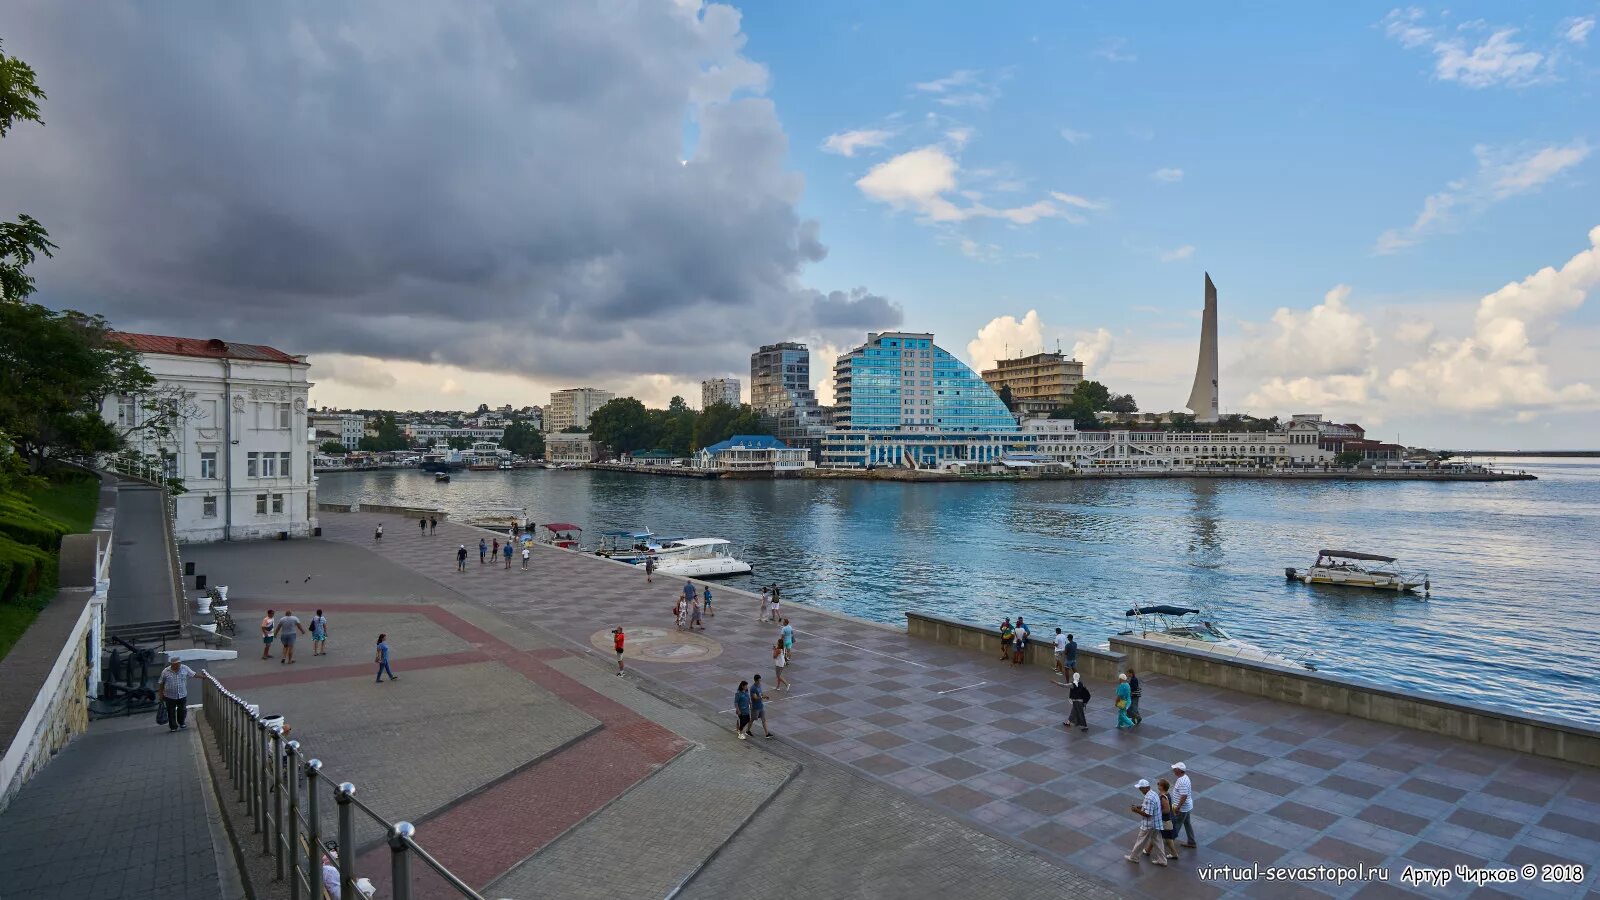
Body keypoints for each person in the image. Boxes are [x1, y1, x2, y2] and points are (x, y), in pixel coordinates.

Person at [1125, 779, 1168, 866]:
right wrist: (1139, 807)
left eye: (1140, 788)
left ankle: (1134, 857)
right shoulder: (1154, 794)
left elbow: (1148, 814)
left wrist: (1136, 810)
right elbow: (1149, 807)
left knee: (1140, 840)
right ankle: (1162, 860)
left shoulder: (1148, 797)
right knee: (1158, 841)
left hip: (1149, 825)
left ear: (1145, 788)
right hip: (1156, 823)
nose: (1140, 790)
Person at [157, 658, 196, 731]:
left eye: (178, 664)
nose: (178, 666)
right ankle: (173, 727)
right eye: (175, 664)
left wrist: (204, 677)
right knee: (171, 712)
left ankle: (181, 722)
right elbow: (161, 683)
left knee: (182, 710)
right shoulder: (165, 671)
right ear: (171, 664)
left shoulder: (184, 668)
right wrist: (161, 695)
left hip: (182, 694)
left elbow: (193, 674)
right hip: (169, 696)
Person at [1170, 762, 1196, 848]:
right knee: (1187, 823)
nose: (1173, 770)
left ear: (1179, 770)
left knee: (1177, 824)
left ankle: (1169, 842)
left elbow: (1184, 795)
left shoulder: (1182, 781)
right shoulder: (1184, 777)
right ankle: (1191, 842)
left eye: (1175, 769)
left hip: (1182, 808)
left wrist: (1178, 807)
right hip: (1187, 807)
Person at [1156, 778, 1181, 861]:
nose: (1157, 785)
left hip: (1164, 820)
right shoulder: (1166, 794)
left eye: (1159, 784)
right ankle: (1174, 854)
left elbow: (1166, 810)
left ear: (1162, 786)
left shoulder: (1163, 797)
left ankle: (1172, 855)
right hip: (1165, 820)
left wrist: (1157, 811)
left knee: (1163, 838)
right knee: (1166, 838)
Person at [749, 674, 773, 738]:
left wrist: (765, 696)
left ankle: (767, 733)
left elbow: (761, 694)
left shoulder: (759, 686)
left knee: (764, 720)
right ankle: (747, 730)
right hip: (755, 707)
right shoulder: (753, 688)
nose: (760, 682)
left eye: (760, 680)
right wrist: (762, 697)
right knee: (752, 719)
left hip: (760, 706)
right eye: (759, 681)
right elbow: (755, 697)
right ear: (755, 680)